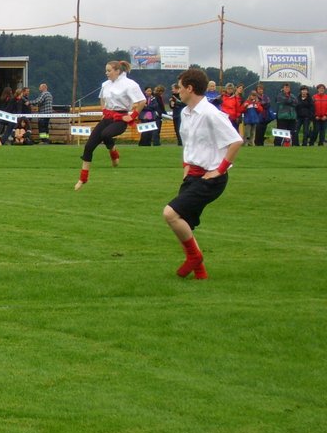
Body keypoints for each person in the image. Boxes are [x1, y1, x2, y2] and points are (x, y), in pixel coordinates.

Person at [163, 67, 242, 280]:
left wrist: (220, 170)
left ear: (190, 88)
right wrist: (186, 167)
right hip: (193, 175)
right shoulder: (185, 113)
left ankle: (194, 257)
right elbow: (189, 144)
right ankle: (200, 273)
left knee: (170, 214)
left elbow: (236, 141)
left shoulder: (211, 113)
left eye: (180, 87)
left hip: (210, 179)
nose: (177, 91)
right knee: (183, 223)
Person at [74, 59, 146, 190]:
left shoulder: (130, 84)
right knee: (89, 146)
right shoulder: (105, 84)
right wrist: (104, 110)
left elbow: (142, 101)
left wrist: (132, 116)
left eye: (109, 71)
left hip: (121, 119)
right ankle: (82, 179)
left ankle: (113, 153)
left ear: (117, 71)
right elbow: (102, 99)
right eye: (106, 71)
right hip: (108, 117)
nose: (106, 73)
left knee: (106, 134)